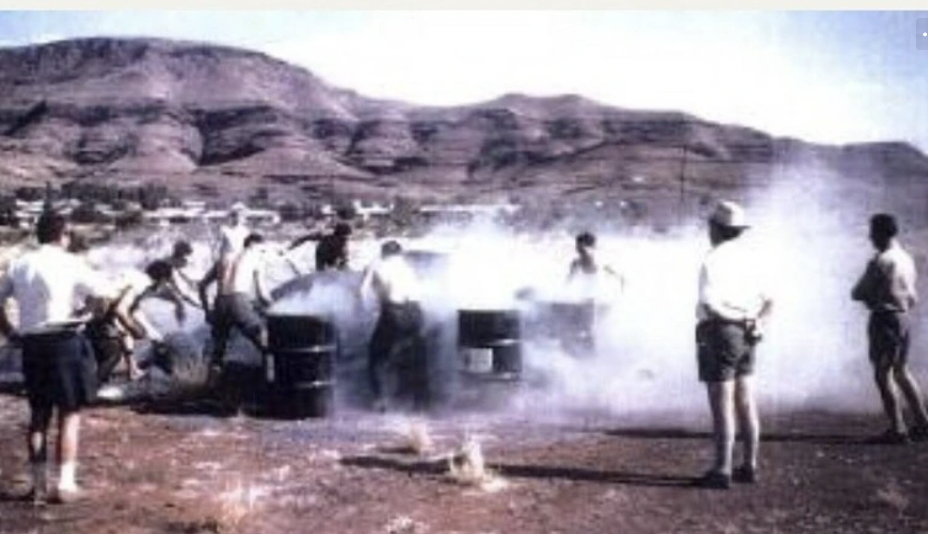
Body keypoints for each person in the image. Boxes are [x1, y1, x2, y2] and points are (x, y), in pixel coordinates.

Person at [0, 212, 118, 504]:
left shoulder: (20, 263)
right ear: (62, 235)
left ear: (38, 234)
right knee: (69, 413)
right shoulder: (72, 262)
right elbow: (105, 294)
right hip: (65, 339)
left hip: (32, 342)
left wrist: (9, 331)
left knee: (38, 414)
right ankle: (65, 485)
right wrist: (90, 313)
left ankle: (38, 486)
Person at [693, 200, 773, 490]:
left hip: (721, 332)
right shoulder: (752, 258)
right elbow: (771, 300)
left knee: (721, 402)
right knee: (746, 399)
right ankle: (749, 465)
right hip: (750, 333)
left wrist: (735, 319)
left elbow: (711, 305)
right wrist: (755, 321)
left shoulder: (712, 259)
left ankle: (722, 470)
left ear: (716, 228)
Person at [851, 213, 928, 444]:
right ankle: (923, 422)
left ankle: (898, 429)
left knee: (883, 374)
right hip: (904, 317)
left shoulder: (881, 260)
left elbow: (857, 292)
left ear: (880, 233)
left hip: (884, 319)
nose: (870, 237)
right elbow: (912, 296)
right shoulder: (906, 258)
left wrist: (873, 297)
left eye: (872, 232)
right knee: (902, 371)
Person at [359, 240, 425, 412]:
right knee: (414, 357)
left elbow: (364, 293)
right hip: (416, 312)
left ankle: (381, 401)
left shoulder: (378, 266)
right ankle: (417, 401)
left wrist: (369, 312)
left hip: (394, 311)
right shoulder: (407, 267)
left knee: (376, 357)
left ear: (383, 254)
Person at [198, 233, 271, 377]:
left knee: (219, 350)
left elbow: (201, 285)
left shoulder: (223, 258)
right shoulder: (256, 258)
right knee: (266, 344)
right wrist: (276, 308)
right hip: (239, 302)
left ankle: (210, 387)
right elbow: (262, 295)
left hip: (220, 303)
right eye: (262, 250)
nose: (263, 253)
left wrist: (207, 311)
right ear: (254, 245)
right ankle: (272, 384)